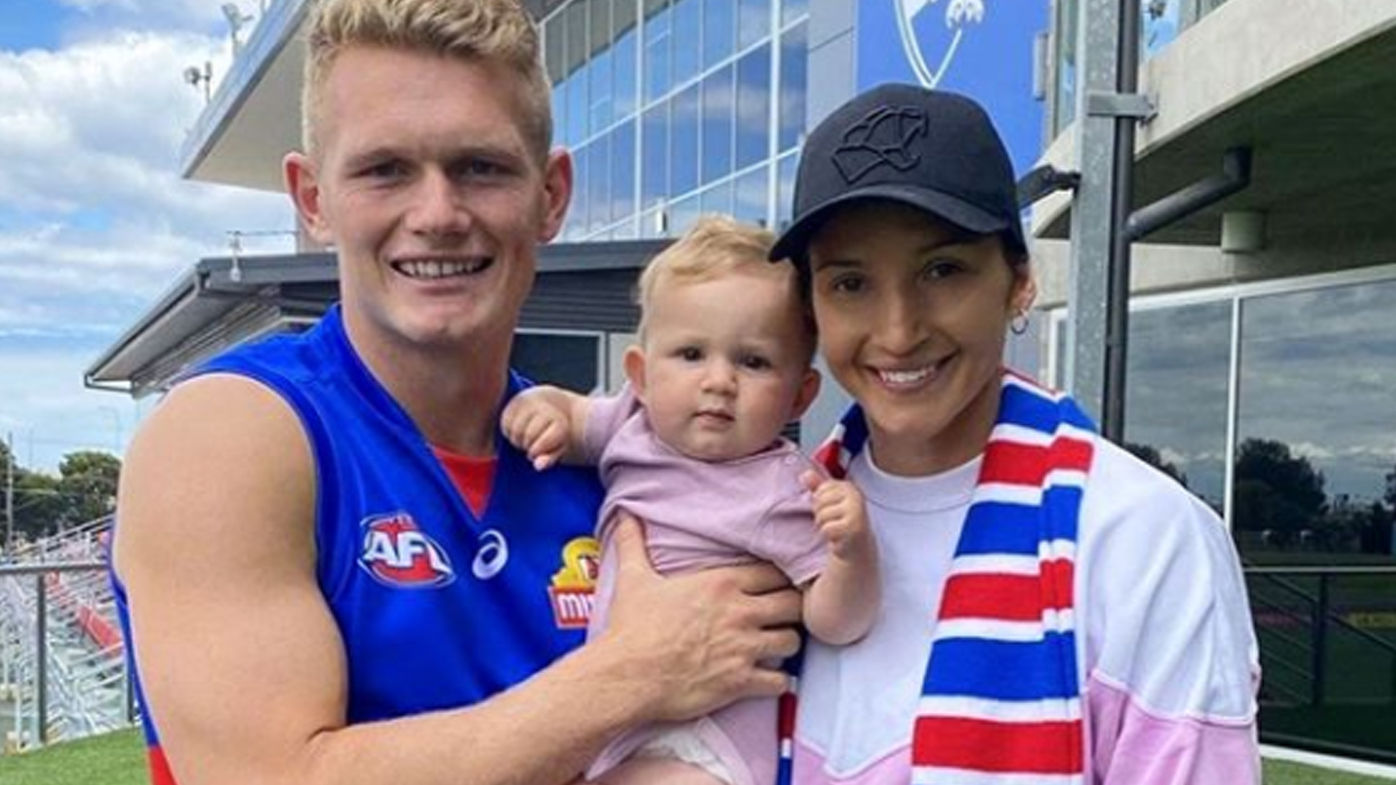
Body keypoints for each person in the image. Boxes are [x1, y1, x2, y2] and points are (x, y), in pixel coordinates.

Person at [109, 2, 804, 784]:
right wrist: (631, 672)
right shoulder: (234, 434)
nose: (438, 214)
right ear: (312, 200)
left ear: (551, 195)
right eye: (385, 169)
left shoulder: (604, 461)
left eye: (480, 166)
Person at [766, 83, 1261, 784]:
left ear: (1019, 281)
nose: (899, 330)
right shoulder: (774, 522)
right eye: (850, 283)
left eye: (943, 269)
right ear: (812, 307)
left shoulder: (1144, 535)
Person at [502, 215, 880, 785]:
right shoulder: (631, 423)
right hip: (615, 719)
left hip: (702, 740)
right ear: (641, 374)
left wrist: (852, 552)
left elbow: (838, 621)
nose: (719, 380)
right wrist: (538, 411)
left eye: (753, 361)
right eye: (691, 354)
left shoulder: (782, 486)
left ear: (800, 395)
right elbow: (574, 418)